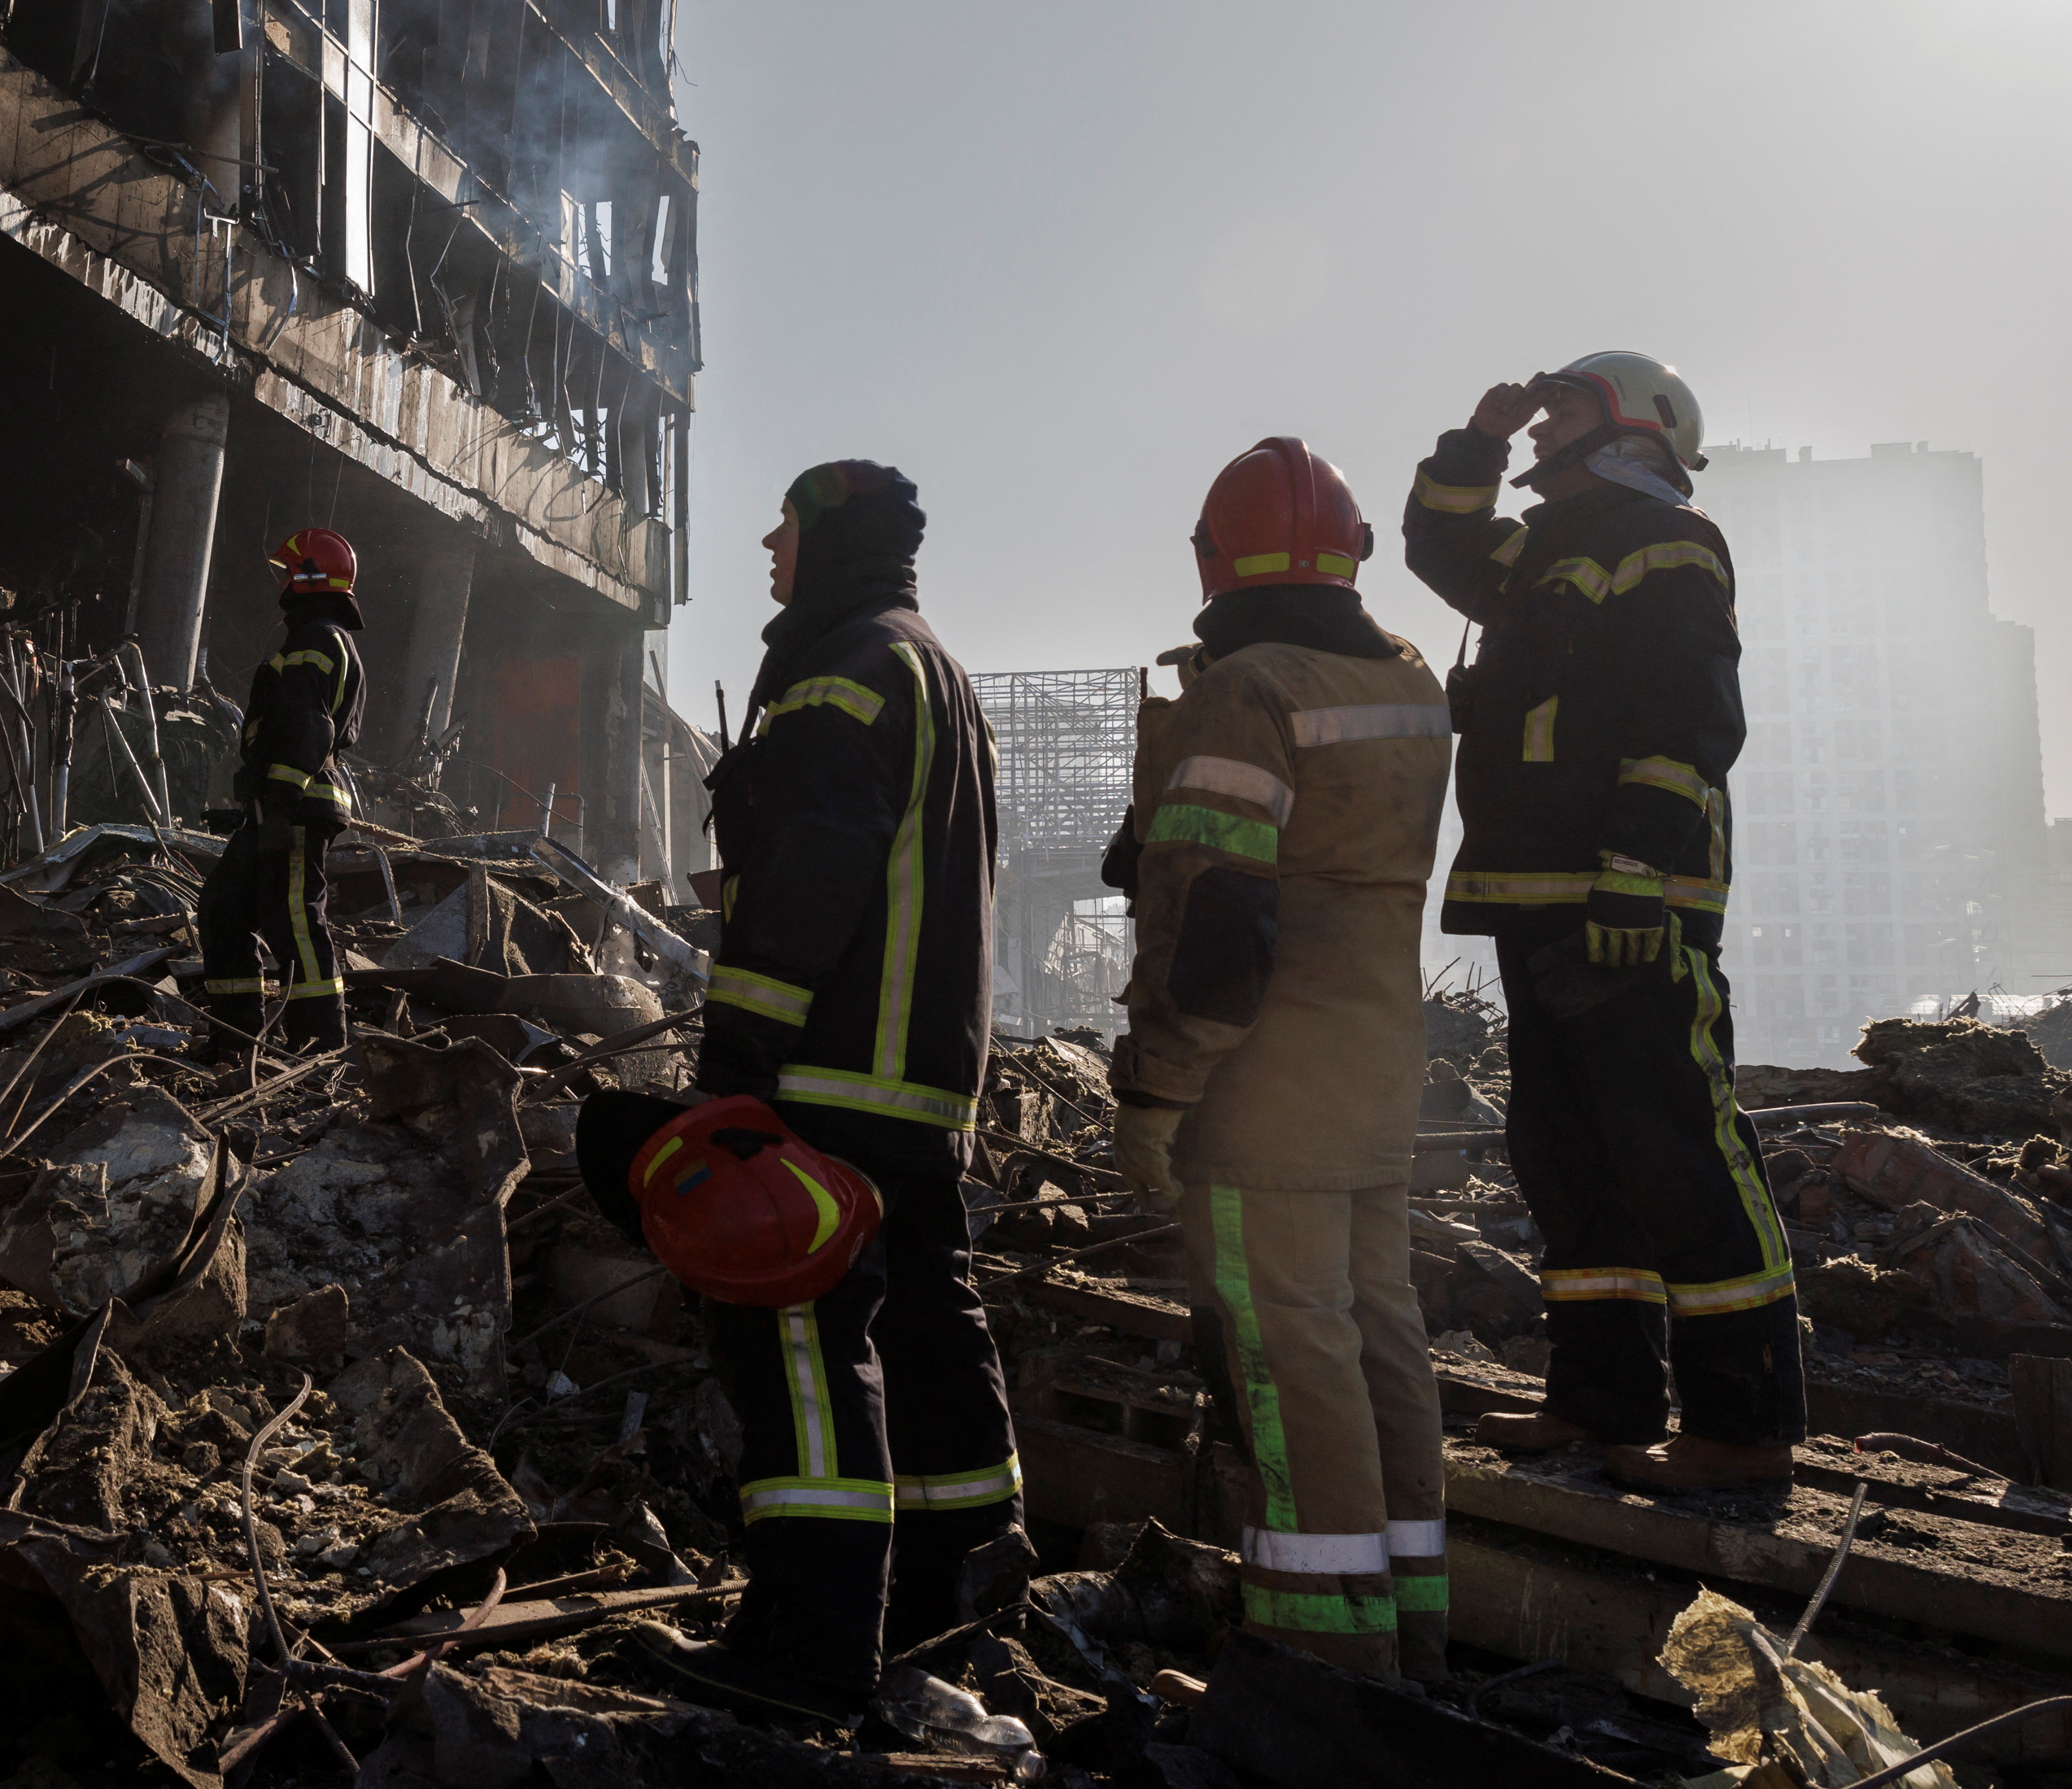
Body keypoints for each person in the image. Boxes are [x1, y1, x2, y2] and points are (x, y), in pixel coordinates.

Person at [632, 461, 1023, 1731]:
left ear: (831, 535)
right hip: (920, 1086)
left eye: (785, 523)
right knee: (927, 1333)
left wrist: (738, 1059)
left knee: (797, 1341)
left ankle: (806, 1644)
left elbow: (806, 874)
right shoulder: (936, 669)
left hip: (826, 1073)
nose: (765, 540)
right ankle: (957, 1611)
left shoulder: (841, 669)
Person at [1402, 352, 1799, 1487]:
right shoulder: (1544, 557)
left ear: (1629, 423)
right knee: (1571, 1157)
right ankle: (1601, 1403)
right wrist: (1477, 440)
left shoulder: (1664, 541)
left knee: (1678, 1151)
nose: (1543, 426)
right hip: (1536, 896)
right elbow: (1441, 544)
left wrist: (1636, 868)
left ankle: (1741, 1425)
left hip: (1634, 900)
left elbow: (1690, 718)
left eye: (1561, 406)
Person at [1105, 439, 1456, 1681]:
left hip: (1266, 1086)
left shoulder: (1247, 690)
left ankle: (1324, 1665)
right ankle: (1411, 1626)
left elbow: (1219, 926)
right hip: (1375, 1069)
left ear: (1210, 560)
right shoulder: (1409, 679)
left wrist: (1156, 1087)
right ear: (1352, 555)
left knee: (1284, 1354)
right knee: (1378, 1336)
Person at [190, 528, 367, 1054]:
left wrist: (281, 803)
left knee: (294, 921)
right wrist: (256, 796)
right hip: (279, 804)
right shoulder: (312, 638)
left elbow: (309, 729)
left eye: (290, 573)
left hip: (297, 807)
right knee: (224, 906)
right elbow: (283, 729)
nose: (282, 583)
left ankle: (320, 1047)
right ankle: (234, 1040)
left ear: (309, 578)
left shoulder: (318, 640)